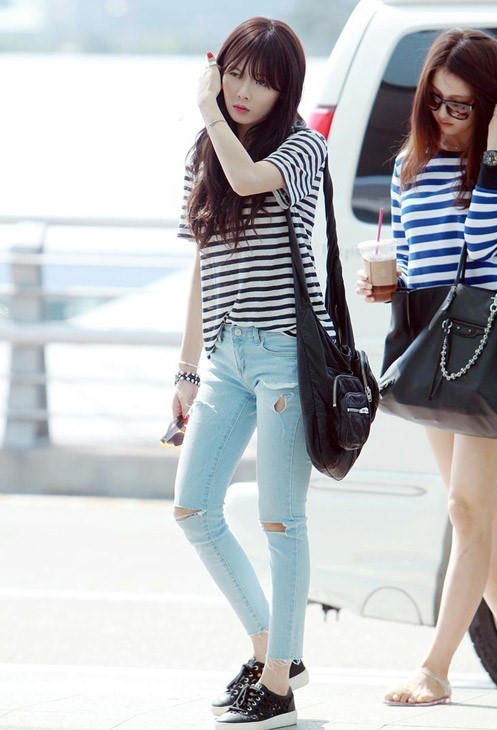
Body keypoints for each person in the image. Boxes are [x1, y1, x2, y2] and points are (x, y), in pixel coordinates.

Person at [172, 17, 336, 729]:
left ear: (286, 89)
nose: (243, 91)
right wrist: (186, 369)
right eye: (234, 73)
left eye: (262, 81)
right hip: (224, 357)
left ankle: (277, 689)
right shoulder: (202, 151)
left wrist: (207, 109)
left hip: (285, 358)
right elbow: (202, 262)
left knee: (280, 518)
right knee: (193, 510)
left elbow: (246, 177)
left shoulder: (302, 148)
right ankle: (276, 651)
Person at [356, 28, 497, 707]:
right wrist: (386, 285)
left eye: (462, 105)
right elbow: (417, 260)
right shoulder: (409, 167)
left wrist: (491, 159)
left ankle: (435, 669)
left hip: (489, 349)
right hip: (434, 354)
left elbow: (484, 253)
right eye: (435, 101)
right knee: (473, 517)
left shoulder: (493, 165)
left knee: (468, 510)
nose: (445, 116)